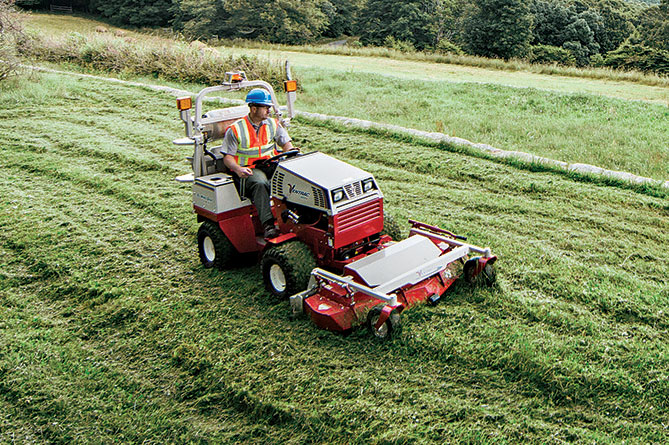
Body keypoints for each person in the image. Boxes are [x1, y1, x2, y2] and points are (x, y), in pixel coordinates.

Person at [221, 88, 295, 238]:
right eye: (266, 107)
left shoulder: (273, 124)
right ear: (254, 108)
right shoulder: (236, 130)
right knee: (261, 183)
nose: (269, 111)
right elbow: (227, 158)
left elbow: (287, 144)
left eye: (269, 107)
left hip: (270, 164)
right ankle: (268, 225)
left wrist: (291, 154)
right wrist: (237, 169)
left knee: (294, 178)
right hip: (248, 170)